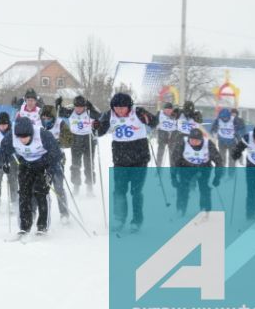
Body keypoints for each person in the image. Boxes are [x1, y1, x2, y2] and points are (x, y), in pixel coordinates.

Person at [92, 92, 158, 233]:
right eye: (117, 108)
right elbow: (99, 132)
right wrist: (96, 126)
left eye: (123, 108)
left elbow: (154, 122)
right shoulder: (109, 115)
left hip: (139, 159)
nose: (120, 111)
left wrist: (149, 119)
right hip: (120, 159)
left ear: (129, 106)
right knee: (119, 191)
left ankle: (136, 220)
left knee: (136, 191)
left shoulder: (138, 112)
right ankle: (119, 218)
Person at [0, 118, 64, 237]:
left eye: (25, 137)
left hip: (43, 164)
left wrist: (50, 171)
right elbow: (3, 151)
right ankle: (25, 226)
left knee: (41, 192)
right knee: (24, 194)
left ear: (32, 133)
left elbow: (56, 154)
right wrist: (4, 162)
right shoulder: (12, 136)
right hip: (25, 164)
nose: (22, 140)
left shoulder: (43, 135)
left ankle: (42, 226)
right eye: (20, 137)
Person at [169, 128, 223, 218]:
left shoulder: (208, 144)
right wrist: (173, 177)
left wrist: (217, 177)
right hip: (186, 167)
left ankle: (205, 210)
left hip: (204, 168)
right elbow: (174, 161)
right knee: (182, 188)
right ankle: (180, 209)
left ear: (201, 140)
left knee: (205, 189)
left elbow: (219, 161)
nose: (193, 142)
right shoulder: (182, 143)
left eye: (196, 140)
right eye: (192, 140)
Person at [58, 94, 100, 196]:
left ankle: (89, 186)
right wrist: (58, 104)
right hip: (75, 138)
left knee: (89, 164)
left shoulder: (89, 112)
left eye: (82, 107)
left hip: (88, 138)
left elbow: (99, 116)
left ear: (85, 106)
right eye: (77, 107)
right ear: (74, 106)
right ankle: (76, 185)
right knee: (75, 164)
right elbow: (59, 112)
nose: (79, 109)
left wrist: (92, 108)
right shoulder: (71, 111)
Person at [40, 105, 71, 223]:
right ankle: (41, 214)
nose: (46, 120)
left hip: (57, 158)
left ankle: (64, 214)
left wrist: (58, 142)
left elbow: (69, 140)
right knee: (41, 187)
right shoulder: (38, 125)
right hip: (42, 158)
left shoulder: (61, 124)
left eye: (48, 118)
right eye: (44, 117)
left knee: (58, 186)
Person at [154, 102, 179, 166]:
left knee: (172, 153)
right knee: (160, 152)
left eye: (170, 110)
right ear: (164, 109)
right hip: (162, 133)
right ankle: (158, 168)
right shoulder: (160, 114)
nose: (168, 112)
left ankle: (172, 169)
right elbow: (154, 122)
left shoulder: (176, 115)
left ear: (172, 110)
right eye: (166, 110)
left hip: (173, 134)